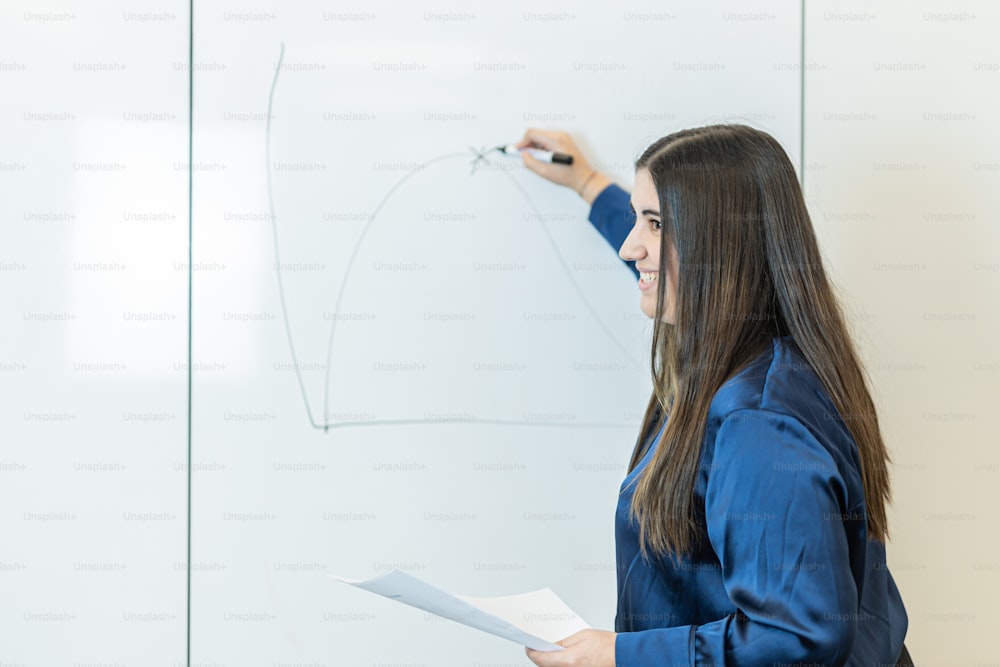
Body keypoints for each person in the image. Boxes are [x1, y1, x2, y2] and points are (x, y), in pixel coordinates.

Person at [517, 126, 910, 667]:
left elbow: (798, 637)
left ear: (718, 244)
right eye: (636, 219)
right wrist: (586, 183)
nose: (634, 247)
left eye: (654, 223)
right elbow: (650, 262)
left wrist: (618, 657)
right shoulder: (765, 349)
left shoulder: (760, 421)